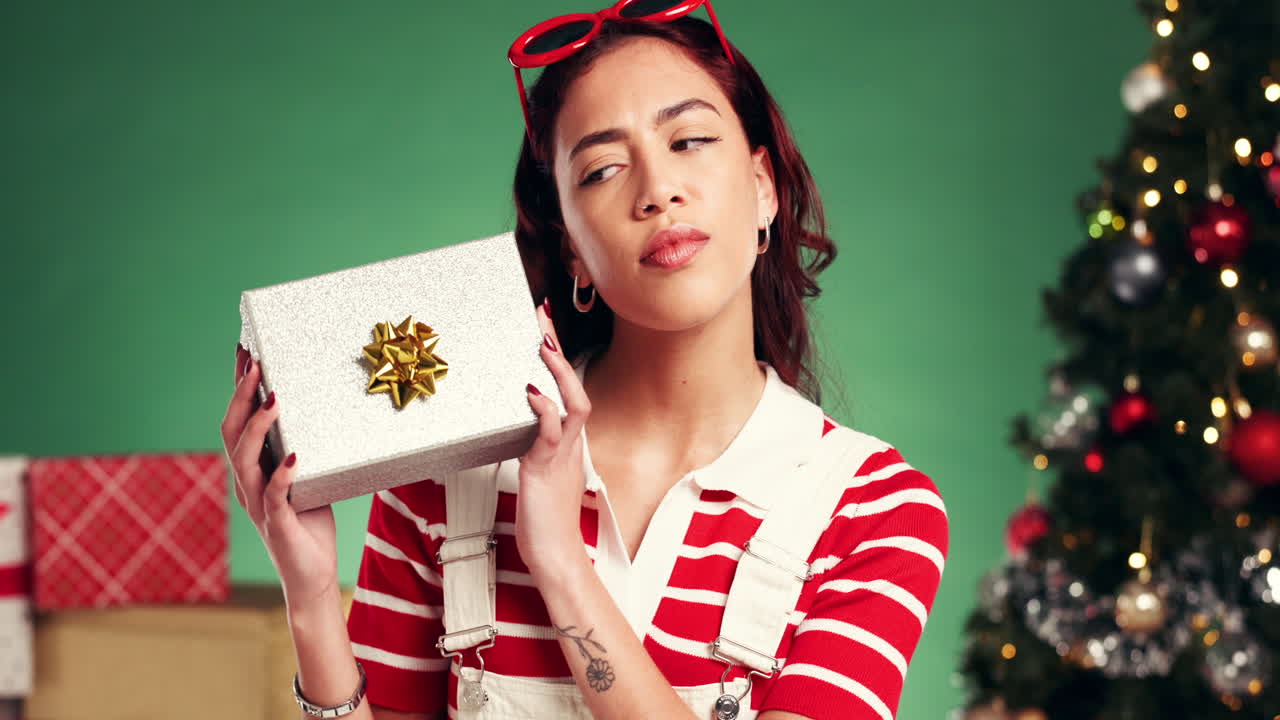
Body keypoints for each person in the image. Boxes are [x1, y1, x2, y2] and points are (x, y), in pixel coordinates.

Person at [221, 2, 949, 719]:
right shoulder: (447, 472)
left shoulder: (874, 511)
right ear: (571, 244)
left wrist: (560, 561)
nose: (657, 191)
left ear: (763, 188)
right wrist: (313, 600)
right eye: (601, 170)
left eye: (689, 140)